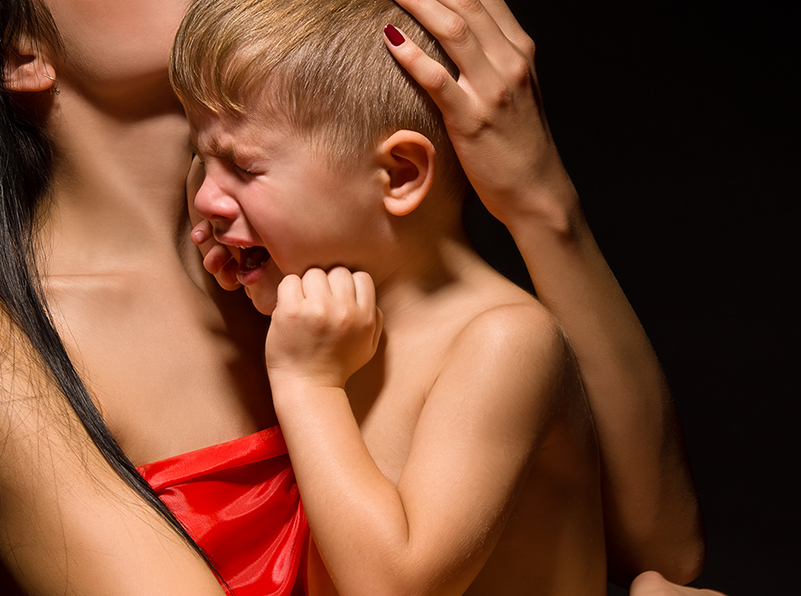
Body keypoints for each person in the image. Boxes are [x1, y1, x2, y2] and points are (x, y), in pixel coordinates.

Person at [0, 0, 703, 593]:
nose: (216, 194)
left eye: (242, 165)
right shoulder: (19, 355)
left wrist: (541, 203)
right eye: (218, 163)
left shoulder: (335, 244)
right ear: (19, 50)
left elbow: (663, 556)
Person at [175, 0, 604, 593]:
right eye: (200, 159)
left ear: (400, 174)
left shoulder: (502, 340)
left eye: (242, 166)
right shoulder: (332, 321)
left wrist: (308, 386)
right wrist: (260, 263)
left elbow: (393, 587)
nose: (205, 200)